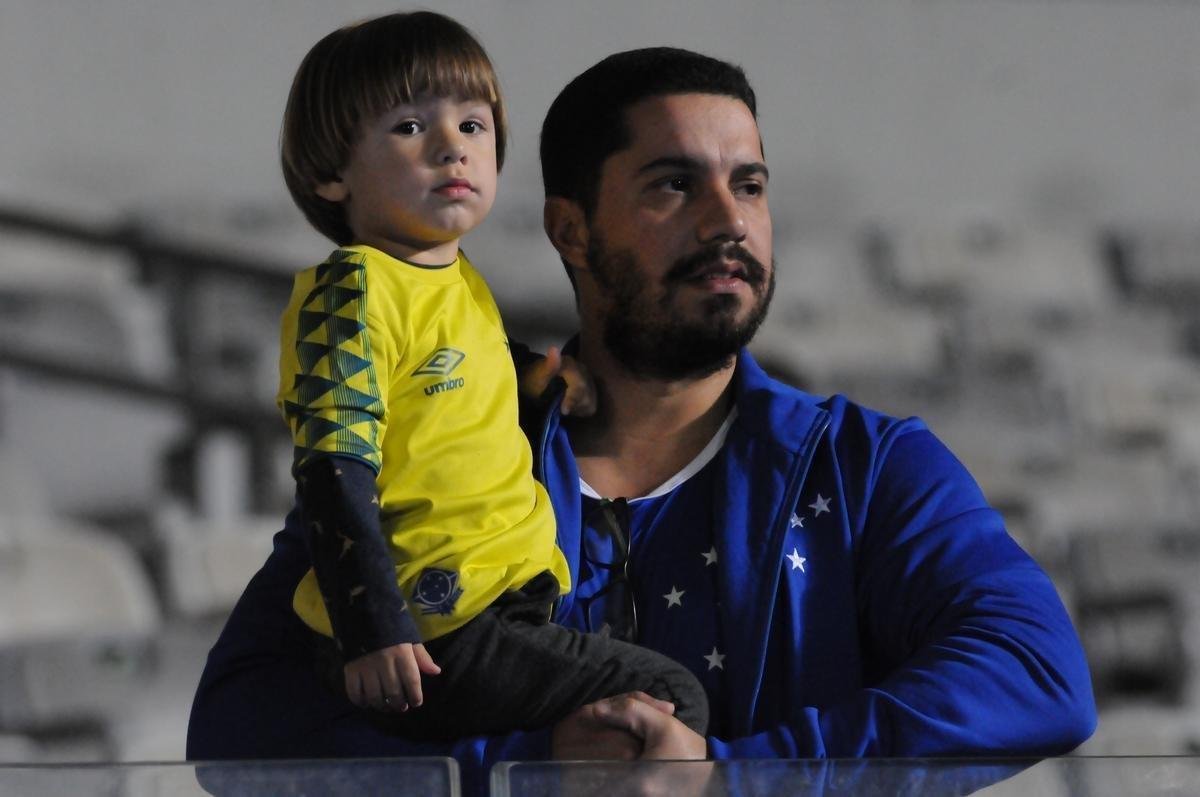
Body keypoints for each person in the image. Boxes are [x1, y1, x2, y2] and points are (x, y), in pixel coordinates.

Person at [188, 44, 1096, 795]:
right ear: (571, 231)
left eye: (749, 185)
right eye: (673, 186)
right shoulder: (436, 442)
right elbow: (239, 729)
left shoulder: (863, 465)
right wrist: (527, 774)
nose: (726, 221)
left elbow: (1036, 674)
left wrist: (730, 779)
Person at [263, 10, 707, 745]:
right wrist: (372, 625)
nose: (451, 149)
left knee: (619, 720)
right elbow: (331, 467)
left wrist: (548, 383)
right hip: (423, 632)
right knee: (667, 696)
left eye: (473, 125)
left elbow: (458, 388)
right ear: (329, 173)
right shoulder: (352, 289)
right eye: (409, 127)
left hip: (488, 604)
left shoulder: (459, 281)